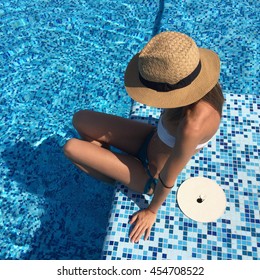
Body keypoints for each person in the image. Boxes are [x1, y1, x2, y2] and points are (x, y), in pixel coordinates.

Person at [63, 31, 225, 243]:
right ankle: (107, 162)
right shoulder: (200, 82)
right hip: (149, 139)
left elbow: (169, 177)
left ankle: (114, 179)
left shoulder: (193, 125)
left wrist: (151, 211)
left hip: (151, 175)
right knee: (81, 119)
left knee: (71, 148)